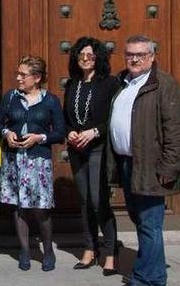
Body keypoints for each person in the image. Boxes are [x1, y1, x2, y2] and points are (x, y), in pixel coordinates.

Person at [108, 35, 180, 286]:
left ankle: (148, 279)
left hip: (152, 166)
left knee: (149, 223)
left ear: (152, 57)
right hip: (128, 163)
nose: (134, 59)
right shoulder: (123, 82)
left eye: (140, 55)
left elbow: (177, 129)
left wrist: (169, 166)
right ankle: (154, 273)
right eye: (129, 54)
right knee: (141, 220)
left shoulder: (164, 84)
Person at [0, 55, 64, 272]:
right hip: (14, 160)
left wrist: (39, 137)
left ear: (36, 78)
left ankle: (47, 250)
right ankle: (24, 250)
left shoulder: (50, 100)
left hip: (38, 162)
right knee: (19, 208)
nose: (18, 78)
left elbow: (60, 133)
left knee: (41, 209)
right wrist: (6, 133)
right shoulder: (10, 98)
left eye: (22, 75)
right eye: (18, 73)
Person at [62, 37, 119, 274]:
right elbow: (66, 119)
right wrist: (71, 132)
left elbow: (116, 118)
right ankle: (89, 248)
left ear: (98, 58)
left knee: (98, 201)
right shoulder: (72, 84)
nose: (85, 59)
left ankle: (111, 252)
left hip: (98, 148)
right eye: (81, 55)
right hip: (77, 150)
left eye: (90, 55)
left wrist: (94, 131)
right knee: (85, 201)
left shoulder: (110, 83)